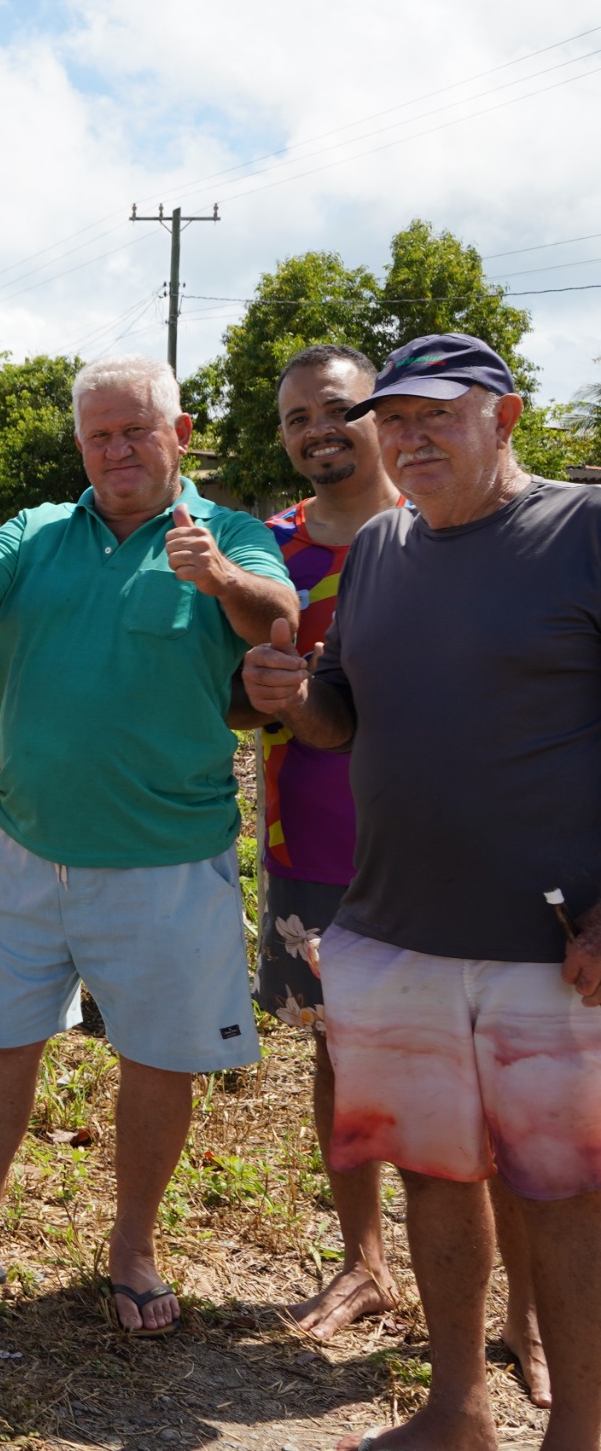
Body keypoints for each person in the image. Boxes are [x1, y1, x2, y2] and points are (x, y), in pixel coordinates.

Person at [241, 332, 601, 1451]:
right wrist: (292, 696)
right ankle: (455, 1411)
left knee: (563, 1191)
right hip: (395, 929)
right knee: (436, 1176)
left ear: (506, 415)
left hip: (550, 945)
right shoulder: (385, 546)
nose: (406, 436)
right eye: (392, 419)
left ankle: (579, 1429)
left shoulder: (582, 530)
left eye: (436, 414)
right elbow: (343, 714)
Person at [0, 353, 293, 1333]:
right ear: (80, 445)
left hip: (167, 858)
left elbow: (275, 617)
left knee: (156, 1056)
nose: (116, 448)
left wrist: (219, 574)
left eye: (135, 429)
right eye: (99, 433)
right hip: (27, 847)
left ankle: (133, 1244)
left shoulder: (225, 533)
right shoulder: (40, 528)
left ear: (179, 434)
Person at [239, 346, 405, 1340]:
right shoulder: (265, 550)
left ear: (382, 413)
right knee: (338, 1054)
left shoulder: (442, 528)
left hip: (441, 843)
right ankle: (363, 1261)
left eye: (335, 408)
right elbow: (225, 689)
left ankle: (524, 1309)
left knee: (465, 1065)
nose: (316, 432)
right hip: (310, 839)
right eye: (296, 418)